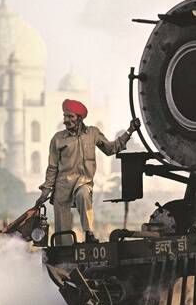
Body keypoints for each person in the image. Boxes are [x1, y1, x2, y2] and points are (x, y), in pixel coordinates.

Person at [36, 99, 140, 244]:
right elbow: (52, 167)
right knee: (62, 238)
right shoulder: (58, 139)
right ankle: (64, 256)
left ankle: (89, 233)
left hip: (83, 182)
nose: (66, 120)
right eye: (65, 116)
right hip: (62, 187)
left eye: (70, 117)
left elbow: (111, 149)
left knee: (83, 194)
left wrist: (130, 131)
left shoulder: (92, 133)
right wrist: (46, 190)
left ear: (79, 118)